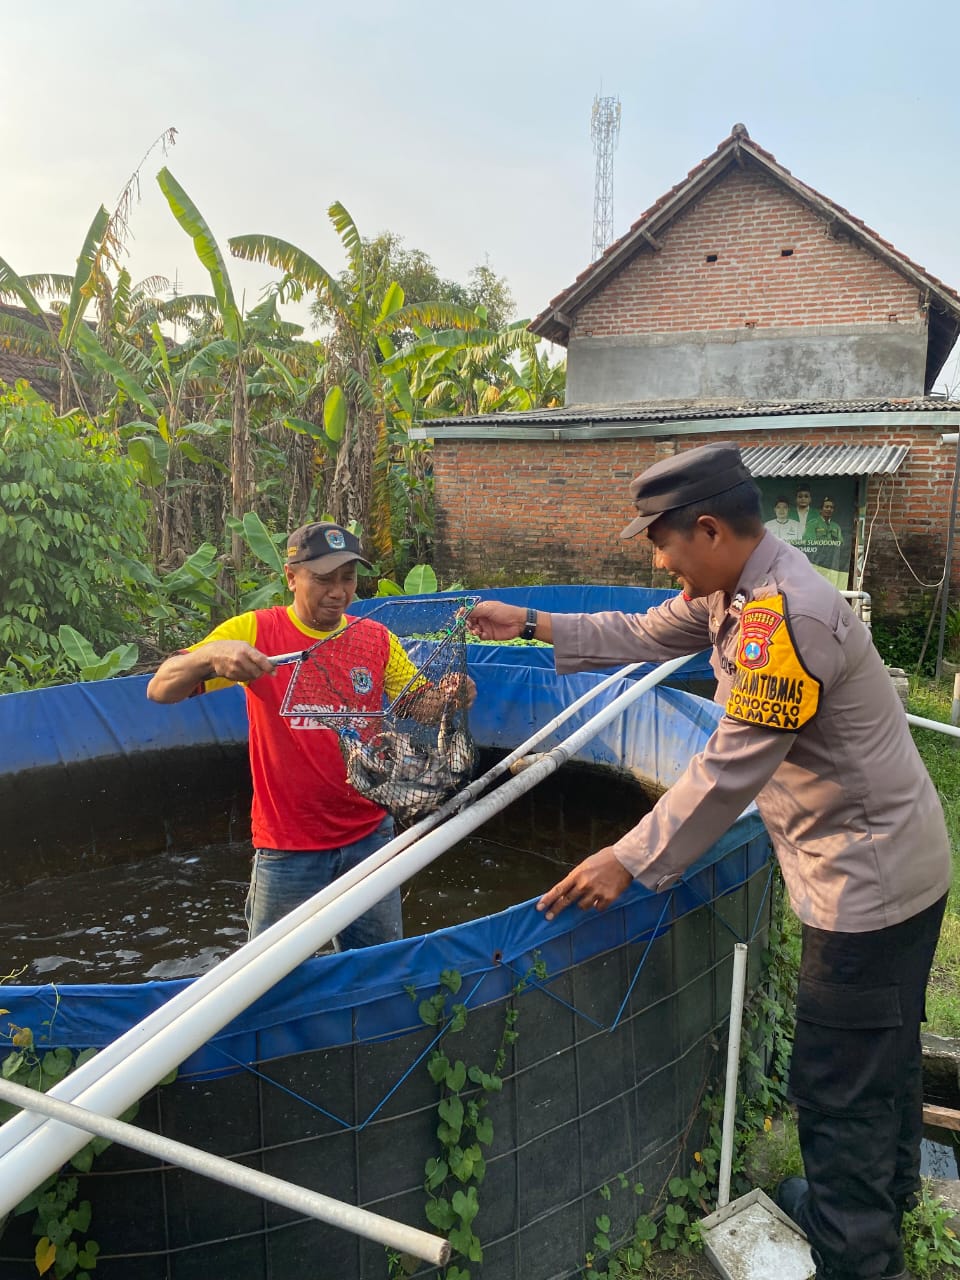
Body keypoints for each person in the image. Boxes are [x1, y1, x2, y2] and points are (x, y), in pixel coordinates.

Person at [467, 444, 949, 1280]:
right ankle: (875, 1201)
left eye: (663, 544)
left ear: (711, 529)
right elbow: (642, 632)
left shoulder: (785, 619)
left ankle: (858, 1257)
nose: (660, 564)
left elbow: (727, 771)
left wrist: (625, 857)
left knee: (838, 1079)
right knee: (884, 1054)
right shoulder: (738, 592)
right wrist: (535, 623)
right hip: (894, 865)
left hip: (864, 888)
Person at [147, 521, 476, 949]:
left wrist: (449, 698)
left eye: (348, 579)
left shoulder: (374, 637)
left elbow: (419, 705)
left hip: (369, 837)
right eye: (323, 580)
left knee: (374, 963)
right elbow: (160, 689)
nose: (338, 592)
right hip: (288, 845)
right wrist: (211, 656)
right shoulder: (255, 632)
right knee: (269, 972)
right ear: (291, 577)